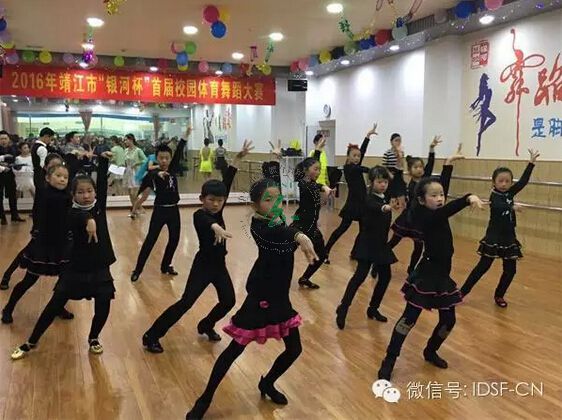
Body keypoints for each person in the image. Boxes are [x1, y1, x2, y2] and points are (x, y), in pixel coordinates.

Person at [185, 177, 318, 419]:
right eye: (268, 200)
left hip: (280, 299)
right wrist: (299, 236)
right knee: (233, 351)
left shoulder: (277, 220)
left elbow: (286, 233)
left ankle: (267, 382)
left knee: (294, 349)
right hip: (260, 299)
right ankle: (204, 400)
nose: (275, 203)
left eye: (278, 199)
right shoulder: (260, 226)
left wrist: (301, 232)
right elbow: (281, 234)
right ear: (255, 205)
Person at [142, 140, 253, 351]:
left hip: (219, 266)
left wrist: (238, 158)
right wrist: (216, 227)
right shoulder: (199, 214)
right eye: (211, 200)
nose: (216, 204)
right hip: (203, 266)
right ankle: (151, 335)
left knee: (228, 301)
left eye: (220, 200)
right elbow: (206, 221)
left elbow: (228, 180)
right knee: (186, 302)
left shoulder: (218, 208)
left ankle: (206, 324)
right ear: (202, 198)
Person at [377, 170, 485, 381]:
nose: (440, 198)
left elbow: (442, 196)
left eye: (442, 194)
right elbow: (446, 211)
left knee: (448, 321)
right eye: (434, 195)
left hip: (443, 277)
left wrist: (448, 167)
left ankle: (430, 350)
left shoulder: (436, 210)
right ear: (421, 200)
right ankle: (389, 359)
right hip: (426, 276)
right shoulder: (425, 215)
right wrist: (467, 198)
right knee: (408, 320)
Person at [10, 152, 116, 359]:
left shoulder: (99, 207)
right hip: (75, 267)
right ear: (73, 195)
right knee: (54, 305)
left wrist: (103, 160)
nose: (86, 196)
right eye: (81, 192)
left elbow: (102, 184)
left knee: (104, 304)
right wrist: (88, 220)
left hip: (99, 266)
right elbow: (78, 216)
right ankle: (30, 342)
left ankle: (94, 338)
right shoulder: (71, 212)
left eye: (90, 191)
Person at [460, 149, 540, 307]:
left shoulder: (510, 193)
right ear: (494, 183)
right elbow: (498, 206)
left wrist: (531, 163)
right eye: (500, 181)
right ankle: (461, 292)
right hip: (494, 236)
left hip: (509, 237)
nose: (504, 184)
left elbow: (523, 182)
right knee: (483, 267)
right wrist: (512, 207)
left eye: (507, 181)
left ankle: (499, 295)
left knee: (511, 270)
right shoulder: (494, 195)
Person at [1, 163, 74, 324]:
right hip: (44, 244)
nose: (62, 179)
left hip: (62, 244)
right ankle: (8, 308)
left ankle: (58, 306)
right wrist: (36, 233)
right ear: (48, 178)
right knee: (29, 280)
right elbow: (39, 215)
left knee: (64, 280)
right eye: (58, 176)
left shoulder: (68, 196)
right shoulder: (44, 194)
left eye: (65, 177)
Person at [336, 166, 400, 329]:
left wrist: (398, 164)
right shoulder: (369, 198)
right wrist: (386, 207)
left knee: (385, 277)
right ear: (371, 182)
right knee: (359, 277)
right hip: (367, 244)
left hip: (381, 245)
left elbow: (396, 183)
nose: (383, 185)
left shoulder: (385, 196)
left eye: (385, 182)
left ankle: (373, 308)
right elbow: (376, 207)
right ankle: (343, 307)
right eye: (379, 182)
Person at [0, 153, 64, 290]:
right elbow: (39, 210)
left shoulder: (61, 184)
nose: (57, 169)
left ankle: (61, 291)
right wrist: (37, 229)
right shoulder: (42, 183)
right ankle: (7, 275)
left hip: (57, 229)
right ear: (46, 168)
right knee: (27, 252)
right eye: (53, 166)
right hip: (42, 228)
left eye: (59, 165)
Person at [130, 137, 187, 281]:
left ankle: (165, 265)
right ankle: (137, 270)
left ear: (170, 159)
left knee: (174, 239)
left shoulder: (172, 169)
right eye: (161, 158)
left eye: (167, 158)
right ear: (157, 158)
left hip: (174, 210)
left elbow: (179, 151)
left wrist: (185, 137)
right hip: (159, 211)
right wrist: (157, 173)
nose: (164, 161)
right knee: (150, 240)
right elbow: (149, 177)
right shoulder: (153, 174)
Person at [324, 125, 377, 264]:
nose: (357, 158)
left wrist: (367, 136)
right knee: (342, 229)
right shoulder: (349, 168)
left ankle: (355, 252)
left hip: (362, 204)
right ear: (348, 157)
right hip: (352, 205)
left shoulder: (356, 164)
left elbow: (362, 152)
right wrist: (374, 170)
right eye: (354, 155)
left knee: (363, 230)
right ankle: (325, 251)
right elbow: (361, 168)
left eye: (358, 156)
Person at [291, 139, 334, 289]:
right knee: (284, 254)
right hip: (300, 225)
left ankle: (305, 278)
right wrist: (324, 187)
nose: (318, 172)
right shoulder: (304, 183)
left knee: (321, 255)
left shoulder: (312, 183)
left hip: (311, 226)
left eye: (319, 169)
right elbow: (313, 185)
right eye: (315, 169)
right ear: (306, 170)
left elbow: (316, 190)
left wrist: (317, 151)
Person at [0, 130, 25, 224]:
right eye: (1, 139)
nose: (3, 141)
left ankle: (15, 215)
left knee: (12, 195)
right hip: (0, 174)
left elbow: (16, 160)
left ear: (8, 139)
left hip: (10, 174)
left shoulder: (13, 149)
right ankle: (2, 217)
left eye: (5, 138)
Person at [122, 134, 147, 218]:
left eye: (126, 140)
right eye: (124, 140)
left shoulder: (138, 150)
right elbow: (124, 161)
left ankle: (139, 208)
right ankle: (135, 210)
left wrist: (137, 163)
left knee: (134, 193)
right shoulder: (125, 150)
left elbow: (145, 160)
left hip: (136, 172)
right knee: (130, 193)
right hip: (128, 172)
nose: (125, 142)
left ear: (131, 140)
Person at [382, 133, 406, 210]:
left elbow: (401, 166)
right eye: (396, 140)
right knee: (390, 198)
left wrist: (400, 156)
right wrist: (389, 174)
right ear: (391, 142)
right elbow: (384, 166)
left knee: (401, 197)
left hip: (398, 175)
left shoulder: (401, 152)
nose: (398, 142)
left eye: (399, 141)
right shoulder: (387, 153)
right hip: (390, 175)